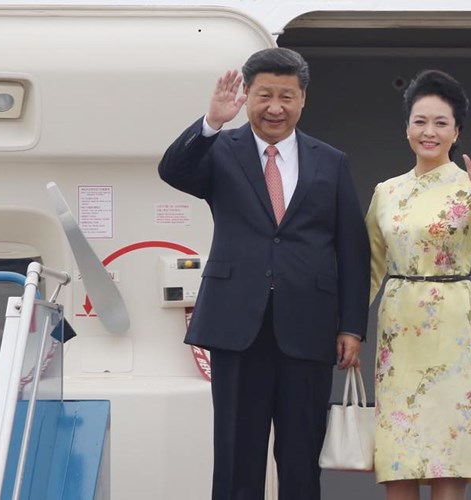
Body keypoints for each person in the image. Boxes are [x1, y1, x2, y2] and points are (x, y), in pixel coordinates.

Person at [158, 47, 370, 500]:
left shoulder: (330, 161)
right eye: (265, 95)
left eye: (286, 96)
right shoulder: (221, 149)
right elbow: (172, 171)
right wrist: (212, 122)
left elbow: (353, 250)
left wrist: (352, 326)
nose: (275, 107)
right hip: (237, 325)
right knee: (237, 456)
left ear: (303, 99)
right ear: (248, 97)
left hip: (309, 327)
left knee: (300, 460)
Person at [366, 69, 471, 500]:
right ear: (406, 128)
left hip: (453, 326)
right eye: (420, 121)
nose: (429, 132)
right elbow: (370, 268)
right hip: (399, 330)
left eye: (440, 123)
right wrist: (348, 330)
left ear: (456, 132)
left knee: (448, 456)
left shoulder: (470, 185)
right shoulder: (386, 191)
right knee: (398, 456)